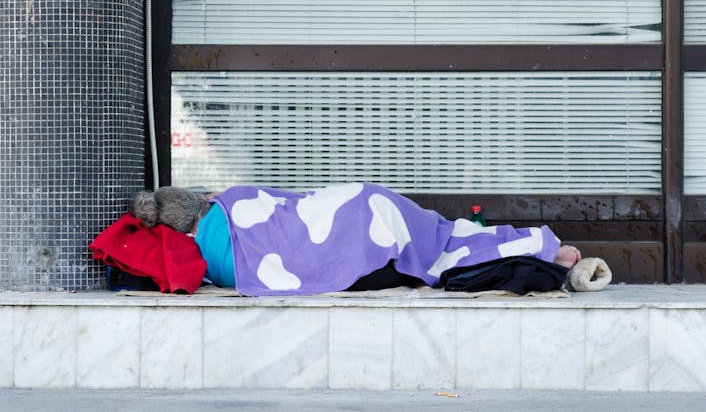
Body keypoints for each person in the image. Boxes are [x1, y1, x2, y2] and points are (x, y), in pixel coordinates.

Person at [129, 182, 582, 296]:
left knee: (436, 252)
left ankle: (532, 251)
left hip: (352, 252)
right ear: (199, 200)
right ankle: (531, 244)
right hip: (359, 208)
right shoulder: (233, 199)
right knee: (440, 237)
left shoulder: (205, 261)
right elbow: (290, 202)